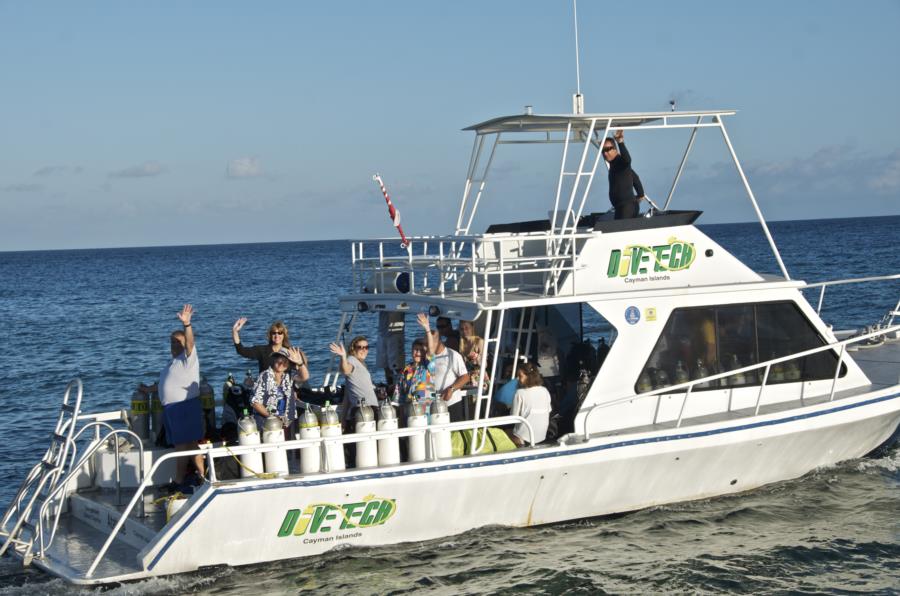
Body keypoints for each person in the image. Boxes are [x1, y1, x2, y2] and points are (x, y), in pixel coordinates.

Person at [138, 304, 205, 484]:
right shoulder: (173, 362)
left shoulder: (188, 358)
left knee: (182, 446)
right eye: (172, 342)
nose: (174, 345)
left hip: (184, 407)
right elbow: (167, 383)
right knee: (190, 444)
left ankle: (178, 481)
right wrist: (149, 390)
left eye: (178, 341)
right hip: (172, 409)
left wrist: (187, 325)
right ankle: (204, 476)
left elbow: (191, 343)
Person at [420, 313, 470, 422]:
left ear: (438, 341)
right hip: (433, 405)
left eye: (428, 344)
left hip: (452, 403)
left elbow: (465, 377)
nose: (426, 347)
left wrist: (451, 389)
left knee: (455, 434)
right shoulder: (428, 358)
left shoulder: (452, 355)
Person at [250, 347, 307, 434]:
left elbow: (305, 377)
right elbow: (255, 402)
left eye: (285, 362)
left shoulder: (288, 377)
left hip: (287, 423)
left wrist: (300, 363)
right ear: (274, 360)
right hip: (267, 424)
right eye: (279, 361)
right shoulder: (264, 376)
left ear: (288, 364)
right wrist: (272, 417)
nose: (281, 364)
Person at [232, 318, 310, 376]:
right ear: (270, 335)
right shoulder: (261, 351)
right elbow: (241, 350)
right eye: (274, 333)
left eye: (280, 333)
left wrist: (300, 363)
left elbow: (303, 375)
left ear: (284, 335)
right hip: (265, 390)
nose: (277, 335)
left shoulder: (290, 352)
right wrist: (235, 332)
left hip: (284, 390)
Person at [329, 336, 378, 427]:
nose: (364, 350)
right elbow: (346, 370)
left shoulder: (361, 365)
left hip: (368, 409)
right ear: (353, 349)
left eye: (366, 347)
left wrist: (343, 419)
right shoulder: (351, 360)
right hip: (363, 411)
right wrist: (343, 356)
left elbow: (347, 395)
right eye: (360, 347)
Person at [507, 361, 552, 447]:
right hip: (542, 436)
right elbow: (548, 411)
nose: (518, 379)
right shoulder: (545, 391)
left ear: (529, 377)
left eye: (520, 376)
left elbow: (513, 417)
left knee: (504, 433)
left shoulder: (520, 393)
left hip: (523, 437)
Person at [603, 130, 646, 220]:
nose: (605, 153)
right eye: (603, 150)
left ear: (615, 149)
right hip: (623, 207)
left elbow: (627, 159)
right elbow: (635, 178)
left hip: (627, 207)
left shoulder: (621, 162)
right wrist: (641, 194)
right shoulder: (616, 165)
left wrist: (620, 142)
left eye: (607, 149)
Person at [376, 311, 405, 385]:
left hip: (395, 332)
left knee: (398, 365)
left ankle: (402, 386)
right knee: (385, 365)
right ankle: (390, 387)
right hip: (382, 332)